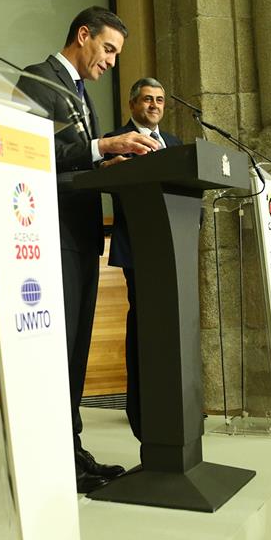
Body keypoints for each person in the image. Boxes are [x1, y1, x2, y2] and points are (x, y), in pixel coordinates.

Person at [17, 7, 159, 493]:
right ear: (83, 35)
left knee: (76, 348)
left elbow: (79, 160)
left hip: (81, 235)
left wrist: (111, 160)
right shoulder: (39, 80)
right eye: (109, 50)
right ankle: (54, 452)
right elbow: (34, 150)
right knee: (58, 347)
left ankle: (71, 448)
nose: (112, 63)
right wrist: (103, 146)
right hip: (49, 234)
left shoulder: (80, 93)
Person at [103, 78, 182, 440]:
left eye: (160, 100)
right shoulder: (114, 142)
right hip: (139, 248)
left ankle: (173, 412)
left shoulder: (177, 145)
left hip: (176, 248)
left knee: (173, 330)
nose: (154, 105)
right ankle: (141, 414)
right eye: (148, 99)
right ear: (133, 104)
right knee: (145, 329)